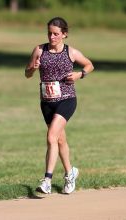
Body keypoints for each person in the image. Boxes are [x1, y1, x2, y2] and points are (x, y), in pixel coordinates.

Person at [25, 17, 94, 194]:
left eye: (56, 34)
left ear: (64, 34)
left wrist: (80, 75)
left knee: (51, 136)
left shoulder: (70, 52)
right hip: (47, 101)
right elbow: (27, 73)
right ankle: (70, 173)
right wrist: (33, 68)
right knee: (60, 140)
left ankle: (47, 180)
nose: (52, 37)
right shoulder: (39, 50)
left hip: (67, 99)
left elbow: (89, 65)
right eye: (49, 33)